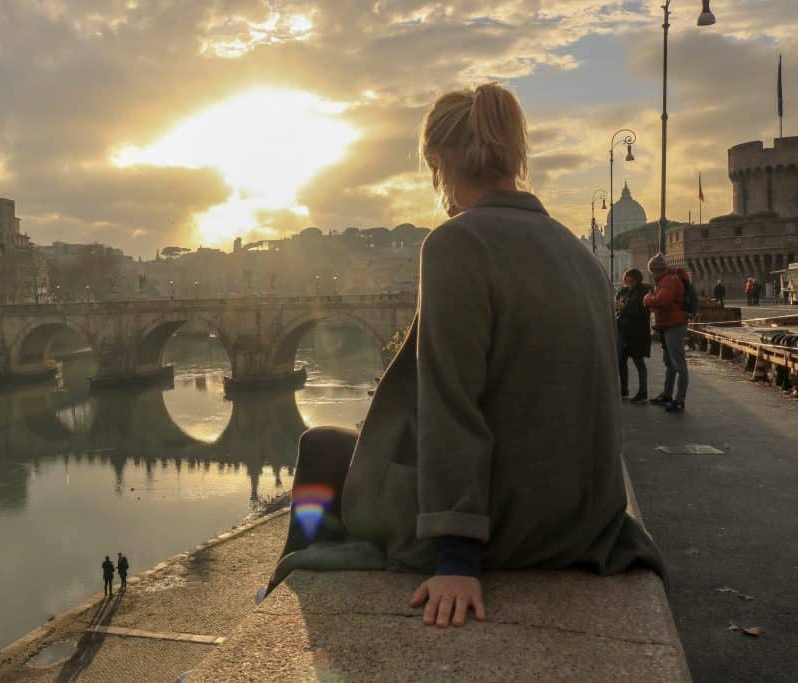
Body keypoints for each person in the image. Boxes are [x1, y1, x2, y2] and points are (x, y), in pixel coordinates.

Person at [267, 82, 663, 630]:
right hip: (581, 524)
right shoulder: (581, 256)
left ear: (437, 164)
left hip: (504, 527)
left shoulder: (455, 243)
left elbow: (450, 405)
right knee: (341, 455)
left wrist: (455, 557)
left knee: (322, 452)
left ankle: (298, 592)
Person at [643, 254, 690, 412]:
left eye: (651, 270)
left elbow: (663, 301)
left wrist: (648, 299)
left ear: (655, 269)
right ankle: (667, 394)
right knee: (670, 364)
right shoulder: (665, 279)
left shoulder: (668, 280)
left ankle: (679, 400)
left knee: (679, 364)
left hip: (674, 325)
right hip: (668, 325)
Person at [615, 269, 652, 404]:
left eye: (630, 281)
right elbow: (617, 304)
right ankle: (623, 390)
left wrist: (626, 308)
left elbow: (643, 312)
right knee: (621, 361)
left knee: (638, 361)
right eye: (626, 280)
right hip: (623, 330)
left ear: (637, 280)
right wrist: (617, 306)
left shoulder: (644, 291)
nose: (628, 283)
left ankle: (643, 392)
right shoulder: (623, 291)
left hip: (637, 332)